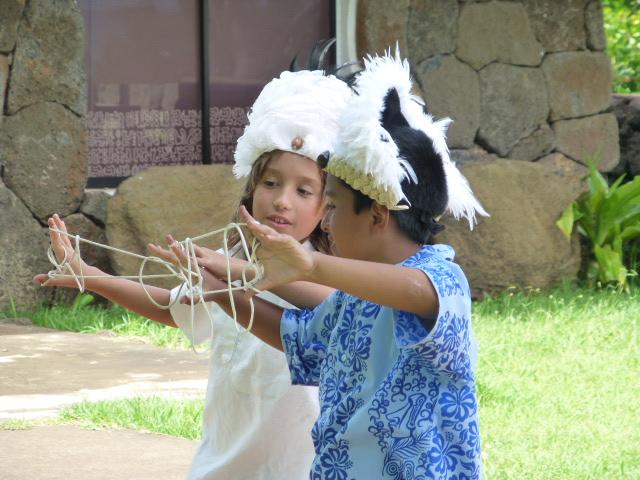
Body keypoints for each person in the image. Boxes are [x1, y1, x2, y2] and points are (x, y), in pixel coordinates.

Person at [35, 66, 352, 479]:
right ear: (251, 188)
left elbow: (341, 307)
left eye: (303, 190)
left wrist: (231, 280)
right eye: (271, 183)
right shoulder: (224, 256)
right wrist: (88, 273)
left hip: (302, 467)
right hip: (223, 464)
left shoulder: (334, 276)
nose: (282, 201)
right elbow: (174, 309)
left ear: (327, 207)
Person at [189, 50, 488, 478]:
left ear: (377, 215)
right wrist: (226, 291)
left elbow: (415, 291)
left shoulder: (442, 279)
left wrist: (310, 267)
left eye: (333, 206)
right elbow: (296, 338)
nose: (327, 220)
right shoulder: (353, 301)